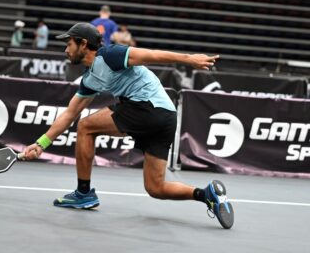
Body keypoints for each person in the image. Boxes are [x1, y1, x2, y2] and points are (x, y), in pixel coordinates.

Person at [23, 22, 234, 229]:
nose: (65, 49)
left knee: (86, 127)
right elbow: (69, 113)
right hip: (167, 117)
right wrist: (40, 144)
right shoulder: (89, 79)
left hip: (148, 107)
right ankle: (207, 194)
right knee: (156, 188)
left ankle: (84, 193)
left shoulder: (110, 55)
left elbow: (152, 55)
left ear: (83, 44)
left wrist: (189, 59)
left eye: (69, 43)